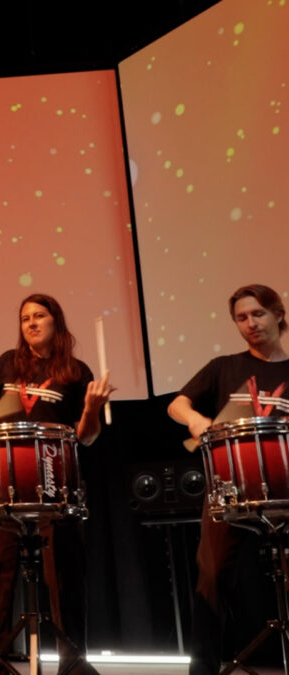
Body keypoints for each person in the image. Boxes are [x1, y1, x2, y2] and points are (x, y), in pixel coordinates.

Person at [0, 293, 112, 675]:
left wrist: (93, 409)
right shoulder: (8, 362)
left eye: (39, 316)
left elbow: (88, 436)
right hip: (4, 484)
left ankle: (71, 662)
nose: (31, 323)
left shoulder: (77, 372)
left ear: (55, 322)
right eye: (25, 317)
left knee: (64, 575)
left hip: (55, 483)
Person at [167, 283, 289, 675]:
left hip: (286, 487)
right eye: (241, 317)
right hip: (229, 487)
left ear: (278, 315)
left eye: (258, 314)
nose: (250, 323)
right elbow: (176, 404)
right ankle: (202, 669)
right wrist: (197, 420)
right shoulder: (224, 367)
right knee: (212, 577)